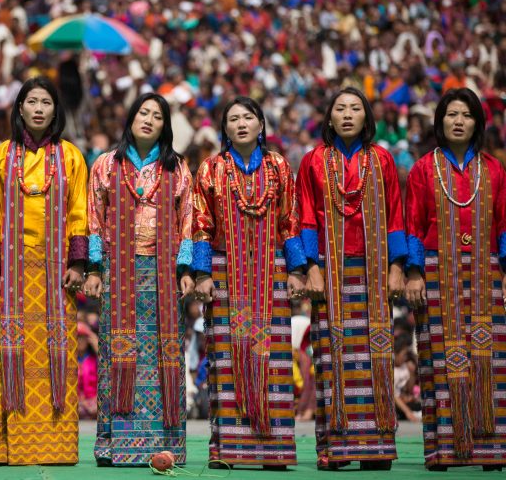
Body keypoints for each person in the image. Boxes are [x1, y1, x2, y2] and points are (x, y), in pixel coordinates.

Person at [192, 96, 306, 470]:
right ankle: (227, 450)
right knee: (225, 357)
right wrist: (203, 274)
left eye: (248, 117)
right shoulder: (211, 169)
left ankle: (274, 449)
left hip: (270, 271)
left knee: (273, 356)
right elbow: (201, 224)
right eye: (233, 119)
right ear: (224, 129)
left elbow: (290, 221)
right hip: (225, 272)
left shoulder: (278, 167)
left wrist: (296, 270)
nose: (241, 123)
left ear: (261, 123)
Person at [296, 87, 407, 471]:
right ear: (329, 118)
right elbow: (305, 216)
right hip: (329, 271)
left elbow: (396, 216)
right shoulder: (313, 161)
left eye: (355, 108)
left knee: (376, 355)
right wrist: (310, 267)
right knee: (331, 356)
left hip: (374, 272)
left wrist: (397, 267)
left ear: (366, 117)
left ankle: (376, 446)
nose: (347, 114)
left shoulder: (382, 160)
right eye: (339, 109)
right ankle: (335, 448)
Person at [0, 76, 88, 466]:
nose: (39, 108)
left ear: (55, 111)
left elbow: (80, 212)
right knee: (7, 356)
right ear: (20, 108)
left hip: (57, 275)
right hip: (10, 274)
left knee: (56, 356)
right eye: (32, 101)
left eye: (46, 102)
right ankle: (4, 446)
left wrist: (78, 263)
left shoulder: (72, 157)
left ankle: (56, 447)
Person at [84, 93, 194, 466]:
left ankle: (166, 445)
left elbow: (187, 220)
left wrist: (184, 271)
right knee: (118, 351)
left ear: (166, 125)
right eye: (143, 113)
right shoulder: (105, 165)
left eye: (157, 116)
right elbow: (94, 217)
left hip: (162, 274)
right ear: (130, 118)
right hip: (119, 273)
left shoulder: (176, 168)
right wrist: (95, 268)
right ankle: (113, 444)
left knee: (164, 353)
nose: (148, 119)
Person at [405, 88, 506, 471]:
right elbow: (414, 226)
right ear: (440, 121)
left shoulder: (493, 169)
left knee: (488, 359)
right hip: (435, 271)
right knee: (439, 358)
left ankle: (490, 449)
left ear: (477, 123)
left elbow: (504, 225)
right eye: (451, 114)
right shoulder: (422, 170)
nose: (458, 121)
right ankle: (443, 450)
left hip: (485, 272)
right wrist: (413, 273)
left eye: (466, 115)